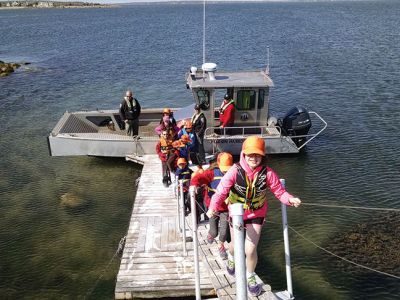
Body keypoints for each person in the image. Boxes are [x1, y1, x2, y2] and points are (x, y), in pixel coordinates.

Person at [207, 136, 301, 296]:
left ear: (263, 156)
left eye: (257, 155)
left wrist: (290, 199)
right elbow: (221, 191)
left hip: (257, 213)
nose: (254, 158)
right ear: (243, 154)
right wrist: (212, 208)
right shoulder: (234, 171)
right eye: (250, 154)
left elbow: (279, 191)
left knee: (250, 250)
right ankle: (231, 256)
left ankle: (250, 275)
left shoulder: (268, 173)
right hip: (237, 214)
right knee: (235, 246)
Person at [191, 152, 234, 260]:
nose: (226, 171)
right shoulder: (211, 173)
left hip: (226, 207)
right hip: (212, 206)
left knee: (224, 230)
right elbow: (198, 178)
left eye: (228, 168)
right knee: (214, 232)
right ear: (218, 164)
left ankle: (221, 245)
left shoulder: (234, 173)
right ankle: (211, 234)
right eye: (224, 168)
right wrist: (194, 185)